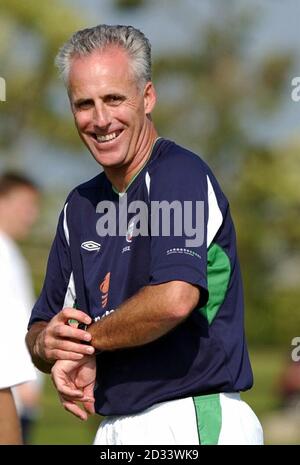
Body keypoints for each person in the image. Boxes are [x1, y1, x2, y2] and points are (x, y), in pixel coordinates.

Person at [26, 24, 263, 445]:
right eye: (84, 104)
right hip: (115, 426)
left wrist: (86, 342)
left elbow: (174, 300)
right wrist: (49, 345)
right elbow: (41, 325)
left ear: (147, 97)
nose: (100, 119)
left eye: (114, 99)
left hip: (188, 417)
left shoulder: (179, 174)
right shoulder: (78, 206)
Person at [0, 172, 42, 444]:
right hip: (9, 393)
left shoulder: (10, 251)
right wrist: (17, 382)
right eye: (25, 206)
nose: (31, 216)